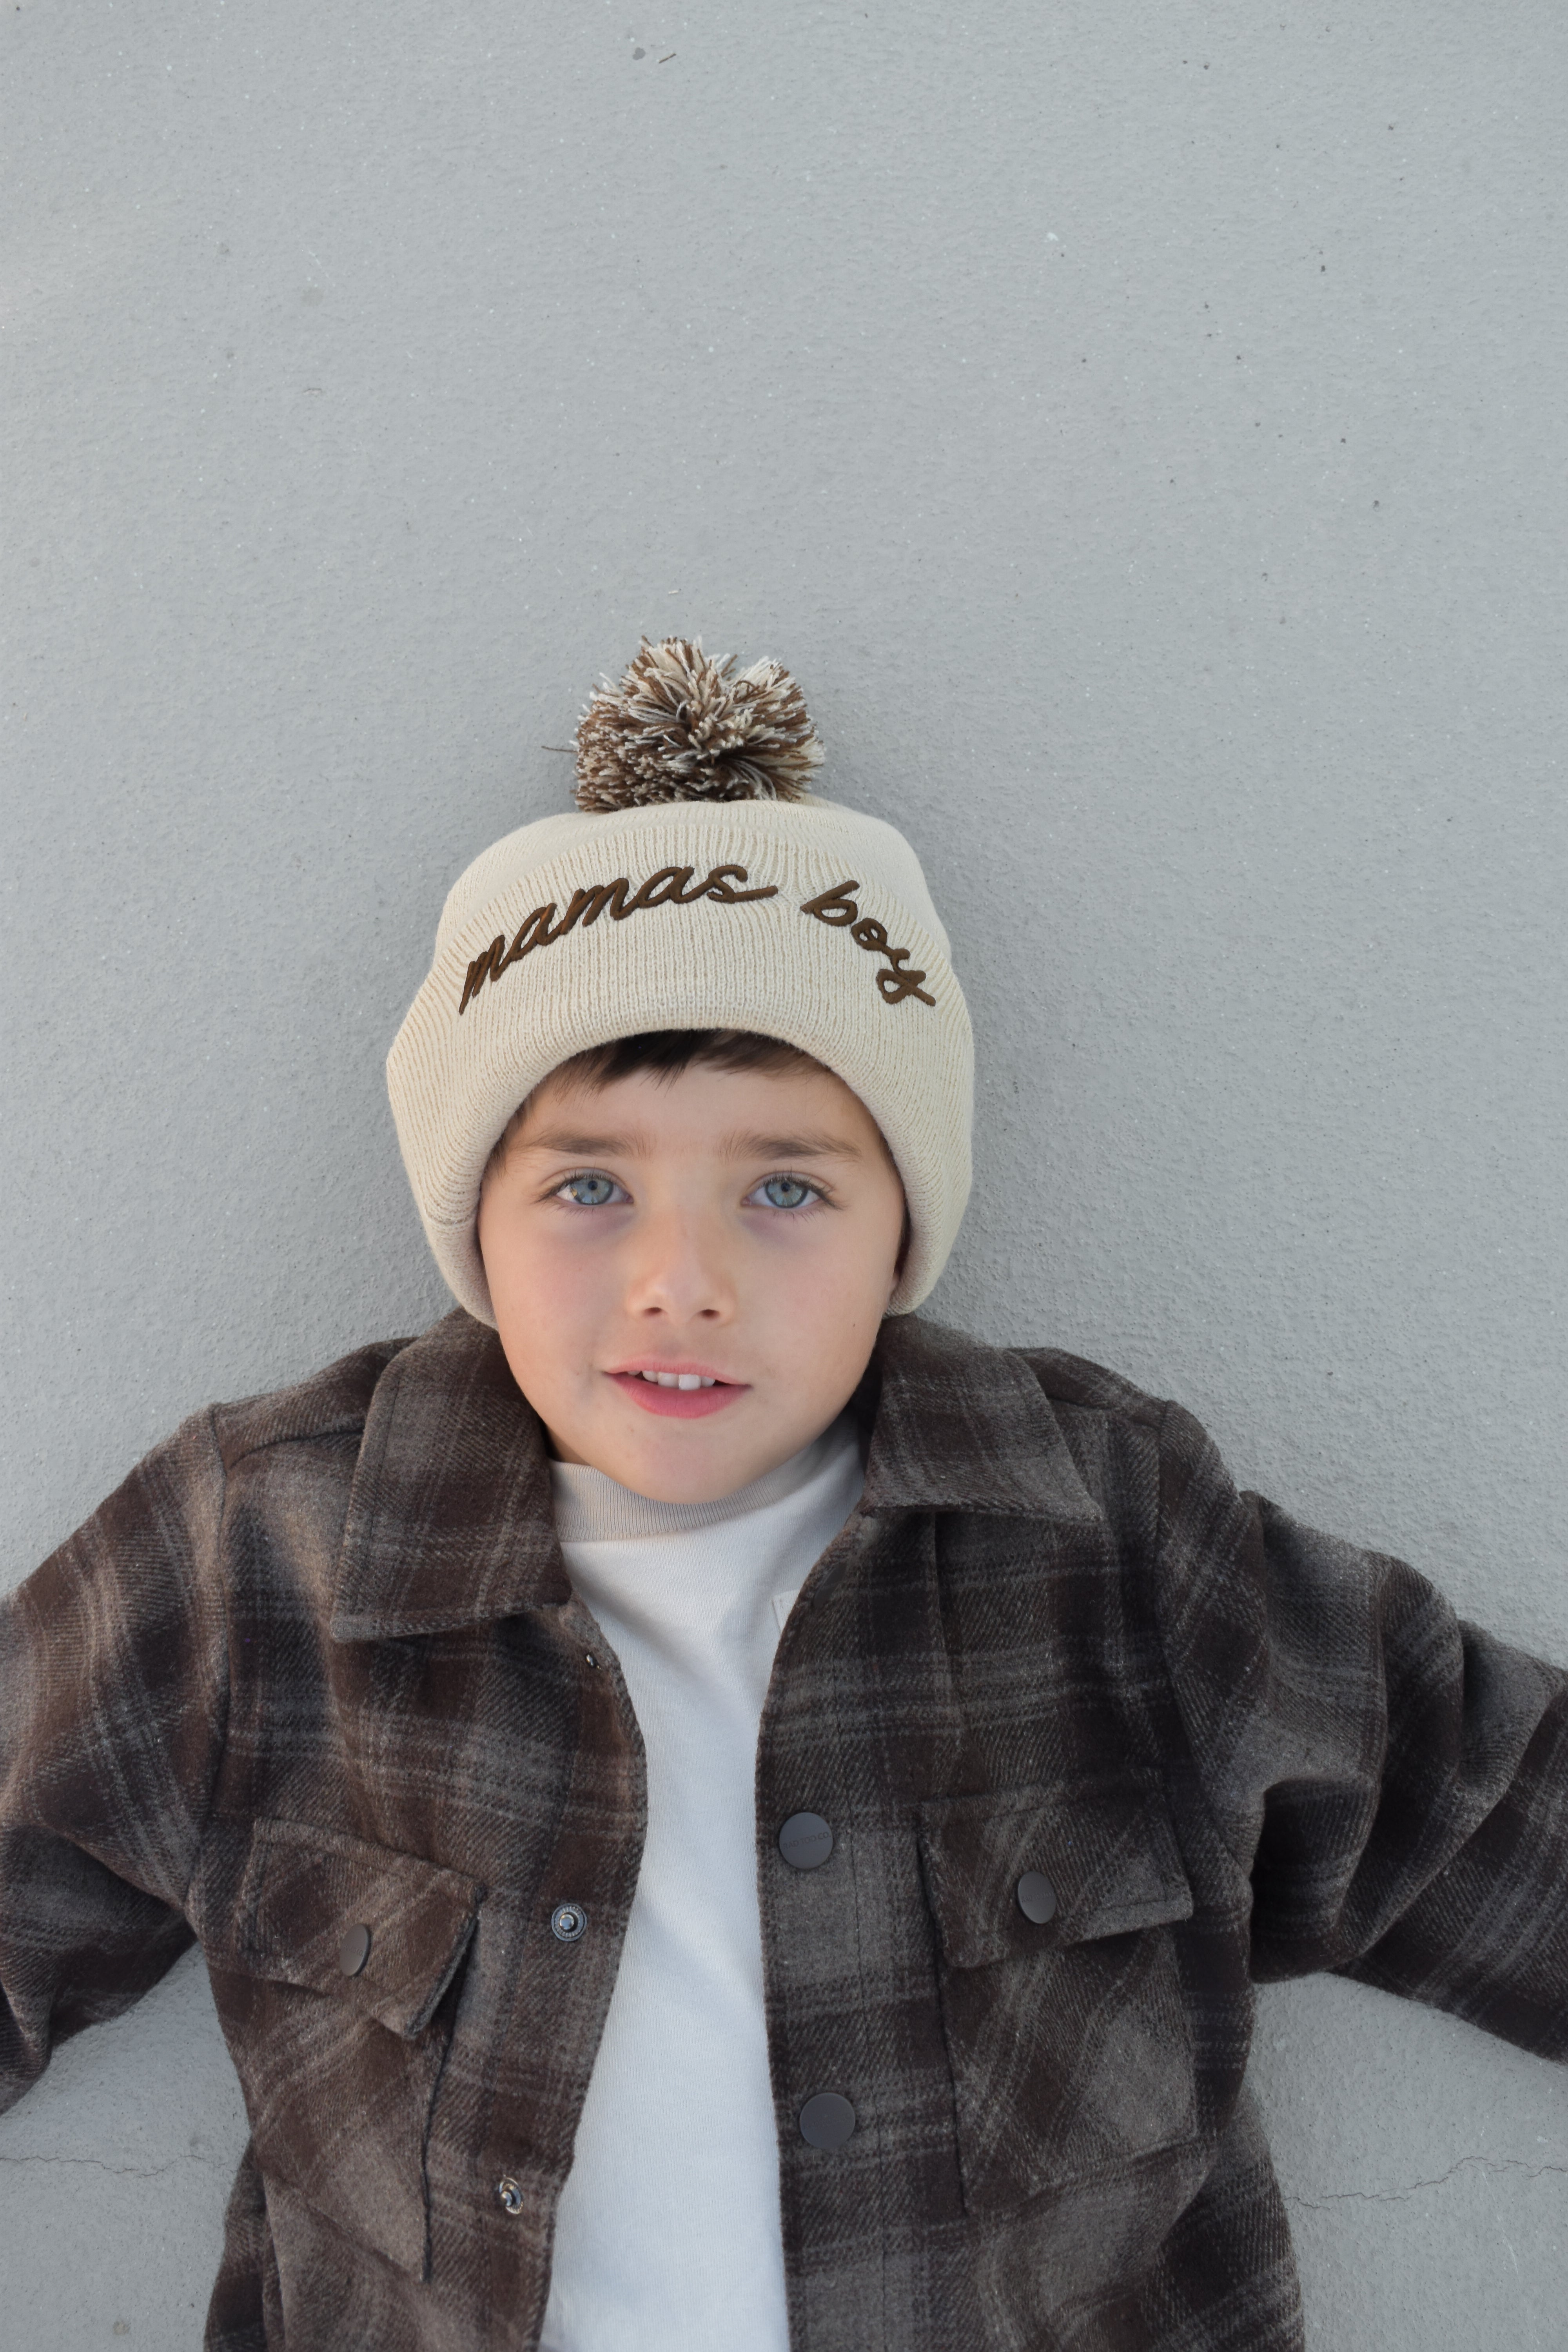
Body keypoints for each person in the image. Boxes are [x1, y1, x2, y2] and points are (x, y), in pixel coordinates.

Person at [2, 636, 1564, 2352]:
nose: (681, 1279)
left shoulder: (1107, 1542)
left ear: (903, 1218)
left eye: (788, 1188)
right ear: (471, 1223)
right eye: (589, 1183)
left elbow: (1503, 1823)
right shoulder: (263, 1550)